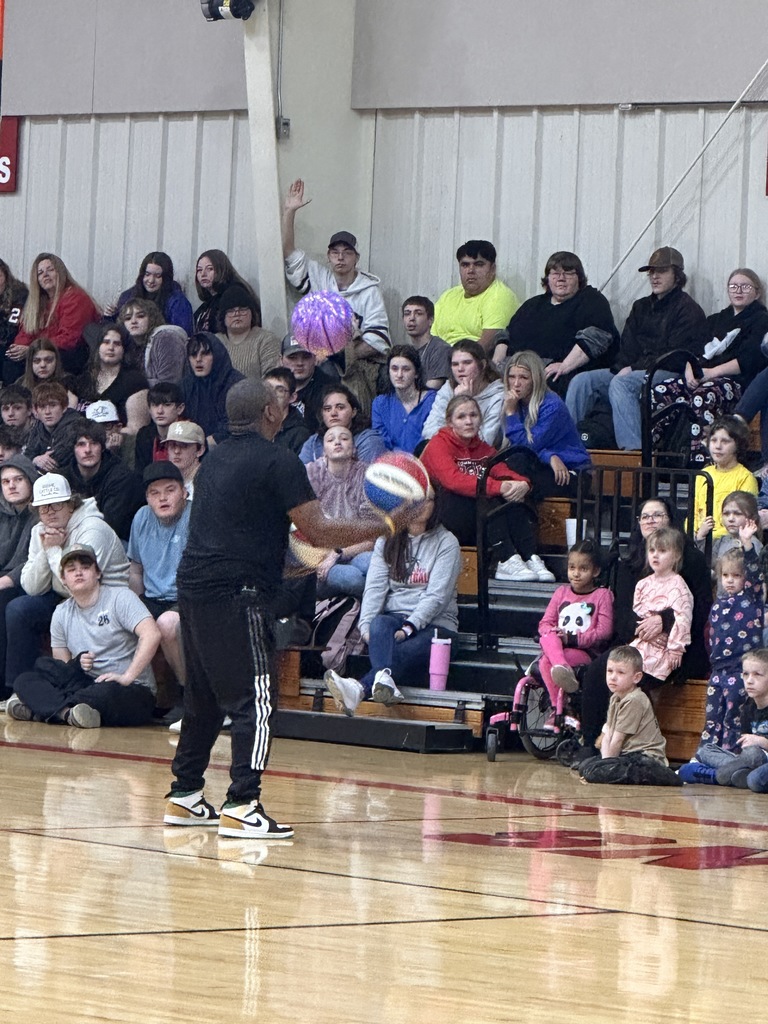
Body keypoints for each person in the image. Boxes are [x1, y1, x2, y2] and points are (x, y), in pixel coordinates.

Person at [162, 378, 412, 839]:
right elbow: (318, 532)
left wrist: (307, 564)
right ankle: (242, 803)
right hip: (237, 594)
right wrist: (389, 523)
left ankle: (185, 795)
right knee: (256, 698)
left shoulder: (214, 460)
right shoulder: (278, 459)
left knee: (202, 695)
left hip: (194, 590)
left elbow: (289, 547)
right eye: (279, 402)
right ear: (271, 413)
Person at [575, 497, 712, 762]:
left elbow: (697, 610)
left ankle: (622, 747)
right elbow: (626, 613)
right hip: (639, 642)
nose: (650, 521)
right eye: (645, 516)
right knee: (598, 671)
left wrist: (664, 620)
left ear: (670, 520)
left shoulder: (691, 560)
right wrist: (641, 627)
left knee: (628, 679)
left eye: (657, 515)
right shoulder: (632, 560)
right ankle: (590, 742)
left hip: (677, 647)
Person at [323, 491, 461, 716]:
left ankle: (358, 688)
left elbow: (437, 597)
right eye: (416, 498)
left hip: (438, 626)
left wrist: (409, 628)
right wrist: (366, 627)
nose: (424, 504)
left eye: (430, 498)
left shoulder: (447, 542)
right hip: (396, 618)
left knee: (405, 648)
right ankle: (381, 680)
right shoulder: (387, 540)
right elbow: (375, 587)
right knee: (378, 624)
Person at [565, 246, 707, 450]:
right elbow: (627, 346)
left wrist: (632, 369)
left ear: (677, 275)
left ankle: (634, 455)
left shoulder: (688, 309)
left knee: (622, 384)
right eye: (651, 272)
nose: (654, 277)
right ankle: (569, 447)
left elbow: (676, 356)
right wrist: (623, 367)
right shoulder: (640, 306)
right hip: (634, 371)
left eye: (661, 271)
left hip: (667, 372)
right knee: (582, 381)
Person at [7, 544, 159, 729]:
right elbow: (64, 670)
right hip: (85, 684)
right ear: (63, 579)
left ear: (98, 573)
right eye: (71, 569)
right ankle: (69, 714)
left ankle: (39, 710)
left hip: (128, 689)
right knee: (25, 680)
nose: (79, 573)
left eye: (85, 567)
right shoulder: (61, 613)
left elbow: (152, 634)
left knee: (103, 694)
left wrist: (127, 677)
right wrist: (77, 663)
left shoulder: (121, 597)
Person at [6, 473, 129, 693]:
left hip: (102, 597)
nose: (50, 512)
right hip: (64, 595)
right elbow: (32, 587)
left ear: (71, 504)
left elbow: (82, 586)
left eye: (56, 505)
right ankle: (15, 690)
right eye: (43, 508)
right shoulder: (40, 530)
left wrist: (54, 550)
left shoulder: (92, 528)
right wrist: (47, 549)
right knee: (18, 608)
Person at [421, 395, 551, 582]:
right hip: (443, 515)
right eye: (461, 417)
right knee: (490, 495)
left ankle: (528, 555)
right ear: (450, 422)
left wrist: (522, 484)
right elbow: (453, 480)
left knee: (509, 497)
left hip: (473, 515)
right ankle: (504, 559)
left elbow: (501, 470)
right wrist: (499, 487)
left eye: (473, 415)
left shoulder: (481, 448)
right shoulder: (438, 445)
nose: (468, 421)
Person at [652, 268, 768, 465]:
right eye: (733, 286)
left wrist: (711, 373)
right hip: (702, 375)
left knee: (702, 396)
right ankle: (653, 454)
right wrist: (690, 369)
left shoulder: (761, 319)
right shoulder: (716, 319)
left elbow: (751, 359)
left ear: (757, 293)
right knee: (658, 391)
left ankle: (702, 461)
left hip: (734, 382)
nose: (738, 290)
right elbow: (694, 348)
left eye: (745, 286)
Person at [282, 179, 391, 357]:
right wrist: (289, 212)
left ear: (357, 258)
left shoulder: (369, 291)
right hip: (319, 355)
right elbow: (289, 253)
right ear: (328, 256)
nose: (340, 257)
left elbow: (378, 340)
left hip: (356, 361)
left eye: (347, 252)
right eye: (335, 252)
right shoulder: (319, 277)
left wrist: (341, 358)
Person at [502, 251, 619, 397]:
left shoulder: (592, 301)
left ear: (579, 278)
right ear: (548, 279)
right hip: (524, 368)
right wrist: (496, 364)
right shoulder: (533, 305)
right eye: (555, 273)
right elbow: (505, 336)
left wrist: (564, 366)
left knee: (557, 380)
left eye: (568, 273)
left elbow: (595, 339)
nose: (561, 279)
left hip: (567, 370)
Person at [697, 522, 764, 757]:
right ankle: (707, 753)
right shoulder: (718, 604)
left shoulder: (751, 598)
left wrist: (747, 543)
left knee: (732, 715)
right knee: (713, 715)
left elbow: (756, 572)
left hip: (739, 670)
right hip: (718, 670)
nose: (730, 580)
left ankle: (730, 754)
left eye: (736, 576)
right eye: (726, 575)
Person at [576, 646, 682, 786]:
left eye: (620, 672)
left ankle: (664, 775)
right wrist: (605, 764)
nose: (613, 677)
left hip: (644, 758)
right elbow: (608, 735)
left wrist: (606, 766)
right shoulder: (615, 698)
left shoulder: (634, 700)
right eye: (609, 671)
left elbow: (617, 740)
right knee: (586, 766)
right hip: (626, 756)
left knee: (594, 771)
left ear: (636, 677)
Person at [128, 463, 191, 699]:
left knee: (166, 624)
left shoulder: (196, 515)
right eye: (155, 493)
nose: (162, 498)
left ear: (184, 492)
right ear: (147, 498)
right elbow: (136, 570)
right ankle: (138, 693)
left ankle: (186, 694)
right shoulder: (142, 517)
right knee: (119, 618)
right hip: (153, 597)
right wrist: (131, 606)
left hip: (187, 597)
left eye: (170, 490)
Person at [536, 540, 613, 723]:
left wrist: (572, 639)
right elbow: (545, 623)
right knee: (547, 636)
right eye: (572, 568)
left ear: (595, 571)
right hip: (558, 649)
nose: (576, 574)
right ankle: (561, 688)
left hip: (584, 652)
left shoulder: (602, 595)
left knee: (546, 661)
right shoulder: (561, 593)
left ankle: (559, 709)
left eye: (583, 569)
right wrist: (554, 633)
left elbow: (604, 631)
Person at [502, 350, 591, 497]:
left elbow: (527, 447)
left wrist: (511, 414)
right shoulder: (512, 402)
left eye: (524, 377)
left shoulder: (552, 406)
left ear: (535, 379)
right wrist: (549, 456)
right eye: (511, 377)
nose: (516, 384)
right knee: (507, 475)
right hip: (542, 465)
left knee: (517, 470)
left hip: (570, 471)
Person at [679, 649, 768, 789]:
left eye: (757, 674)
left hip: (762, 763)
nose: (749, 680)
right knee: (705, 750)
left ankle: (717, 777)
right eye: (745, 674)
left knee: (754, 762)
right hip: (750, 763)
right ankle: (738, 776)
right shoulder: (747, 708)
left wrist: (762, 742)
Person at [305, 425, 377, 599]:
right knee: (352, 579)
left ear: (353, 449)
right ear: (324, 452)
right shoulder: (311, 473)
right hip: (319, 560)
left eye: (344, 438)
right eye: (331, 440)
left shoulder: (367, 476)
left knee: (373, 565)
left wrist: (337, 553)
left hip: (355, 552)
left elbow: (372, 538)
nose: (337, 442)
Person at [10, 253, 99, 375]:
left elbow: (69, 339)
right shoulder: (37, 303)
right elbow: (26, 333)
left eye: (50, 270)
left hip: (68, 355)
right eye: (40, 273)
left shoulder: (76, 297)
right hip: (41, 351)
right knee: (10, 359)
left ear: (61, 273)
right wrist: (17, 349)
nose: (45, 275)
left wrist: (32, 349)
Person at [629, 527, 693, 687]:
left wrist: (676, 649)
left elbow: (682, 618)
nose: (655, 555)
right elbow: (638, 614)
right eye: (652, 550)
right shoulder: (642, 584)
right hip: (642, 642)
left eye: (662, 551)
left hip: (663, 647)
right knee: (619, 668)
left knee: (637, 679)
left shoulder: (678, 586)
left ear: (676, 555)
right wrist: (646, 633)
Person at [431, 240, 520, 355]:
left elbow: (485, 346)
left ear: (492, 269)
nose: (470, 271)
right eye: (465, 265)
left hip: (472, 363)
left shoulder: (500, 296)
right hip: (439, 360)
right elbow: (430, 339)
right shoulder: (448, 296)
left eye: (478, 264)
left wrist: (453, 362)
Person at [0, 455, 40, 706]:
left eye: (18, 479)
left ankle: (8, 688)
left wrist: (8, 579)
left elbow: (38, 558)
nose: (12, 486)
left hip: (32, 581)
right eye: (5, 481)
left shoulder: (42, 511)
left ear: (31, 480)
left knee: (6, 603)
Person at [65, 420, 145, 543]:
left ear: (102, 447)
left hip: (117, 542)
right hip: (74, 538)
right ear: (73, 449)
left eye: (94, 443)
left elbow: (110, 526)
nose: (88, 450)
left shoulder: (121, 477)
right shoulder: (63, 477)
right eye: (81, 444)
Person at [422, 339, 506, 448]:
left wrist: (464, 402)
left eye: (467, 363)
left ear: (483, 364)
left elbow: (486, 441)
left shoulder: (498, 395)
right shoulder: (447, 389)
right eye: (455, 364)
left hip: (481, 460)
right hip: (447, 452)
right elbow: (428, 431)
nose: (460, 369)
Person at [692, 415, 757, 541]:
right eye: (713, 440)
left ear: (737, 445)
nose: (717, 446)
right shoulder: (703, 474)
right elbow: (694, 512)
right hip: (700, 537)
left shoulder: (745, 477)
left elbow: (745, 520)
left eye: (725, 441)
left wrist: (709, 535)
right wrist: (696, 533)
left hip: (731, 541)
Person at [74, 322, 148, 427]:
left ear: (124, 350)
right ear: (98, 347)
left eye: (117, 344)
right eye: (106, 342)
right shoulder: (83, 380)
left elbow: (136, 429)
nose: (111, 348)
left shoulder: (135, 382)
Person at [372, 345, 437, 454]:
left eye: (406, 369)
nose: (399, 375)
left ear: (416, 373)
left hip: (425, 462)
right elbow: (382, 442)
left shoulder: (433, 401)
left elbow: (430, 440)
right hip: (392, 466)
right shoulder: (380, 404)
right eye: (394, 368)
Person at [299, 383, 385, 465]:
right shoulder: (313, 443)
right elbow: (301, 475)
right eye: (327, 409)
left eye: (340, 407)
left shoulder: (369, 441)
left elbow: (368, 477)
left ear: (354, 412)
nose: (333, 413)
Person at [107, 252, 193, 334]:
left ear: (166, 278)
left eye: (157, 276)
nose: (151, 280)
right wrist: (110, 316)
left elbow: (182, 334)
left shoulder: (177, 302)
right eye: (147, 274)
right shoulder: (128, 296)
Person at [182, 332, 244, 444]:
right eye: (193, 355)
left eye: (205, 354)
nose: (198, 359)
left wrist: (207, 443)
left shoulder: (237, 385)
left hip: (230, 448)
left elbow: (238, 426)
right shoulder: (186, 385)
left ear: (217, 355)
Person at [215, 284, 281, 379]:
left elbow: (272, 379)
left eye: (242, 309)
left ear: (252, 313)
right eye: (231, 310)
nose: (237, 314)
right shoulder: (215, 342)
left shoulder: (266, 340)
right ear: (223, 316)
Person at [25, 383, 85, 473]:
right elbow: (26, 456)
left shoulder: (76, 425)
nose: (47, 412)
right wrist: (36, 459)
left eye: (53, 405)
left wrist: (40, 460)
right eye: (42, 406)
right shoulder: (38, 427)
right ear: (36, 410)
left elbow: (56, 461)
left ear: (64, 407)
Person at [193, 249, 256, 333]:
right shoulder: (208, 303)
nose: (203, 274)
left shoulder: (234, 294)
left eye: (210, 269)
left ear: (221, 270)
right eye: (199, 270)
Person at [281, 333, 332, 433]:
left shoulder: (330, 389)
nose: (299, 363)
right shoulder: (272, 387)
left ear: (315, 358)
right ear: (280, 360)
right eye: (292, 357)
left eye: (306, 356)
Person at [698, 490, 761, 566]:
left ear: (752, 518)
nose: (730, 519)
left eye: (738, 514)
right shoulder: (722, 541)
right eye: (726, 514)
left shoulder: (754, 544)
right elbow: (706, 564)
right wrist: (700, 537)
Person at [401, 295, 452, 389]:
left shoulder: (441, 349)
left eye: (418, 313)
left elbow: (432, 390)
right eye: (407, 313)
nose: (411, 318)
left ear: (431, 320)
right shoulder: (405, 351)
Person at [134, 382, 186, 473]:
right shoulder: (144, 435)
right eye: (155, 405)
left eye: (167, 405)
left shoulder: (189, 433)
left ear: (180, 409)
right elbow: (140, 473)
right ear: (149, 409)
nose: (160, 411)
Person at [264, 367, 311, 455]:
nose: (272, 394)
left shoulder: (299, 433)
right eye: (267, 388)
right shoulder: (255, 424)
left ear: (292, 397)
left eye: (280, 390)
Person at [21, 337, 78, 406]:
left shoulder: (67, 381)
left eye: (48, 360)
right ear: (30, 363)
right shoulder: (21, 383)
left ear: (56, 361)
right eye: (37, 361)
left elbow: (72, 406)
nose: (43, 365)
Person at [161, 421, 206, 499]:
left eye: (184, 445)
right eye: (172, 445)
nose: (176, 451)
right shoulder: (164, 481)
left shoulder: (207, 482)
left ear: (200, 451)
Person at [0, 258, 29, 376]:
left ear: (6, 276)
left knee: (11, 360)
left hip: (14, 344)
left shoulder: (18, 294)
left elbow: (11, 330)